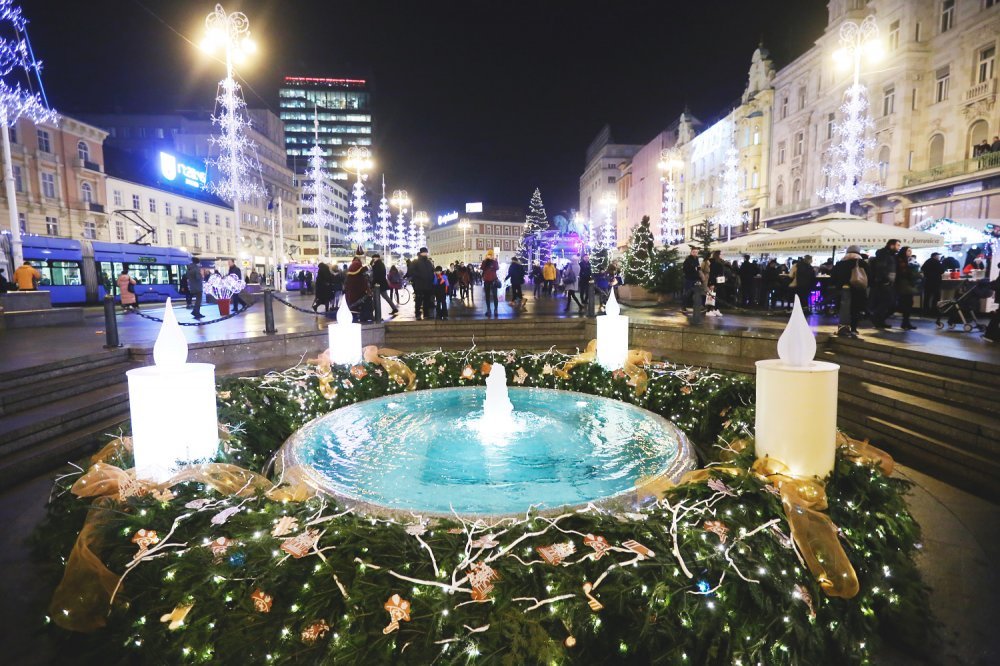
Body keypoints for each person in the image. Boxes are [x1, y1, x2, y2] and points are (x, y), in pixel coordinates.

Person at [830, 245, 869, 338]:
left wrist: (838, 285)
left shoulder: (840, 263)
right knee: (855, 309)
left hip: (843, 290)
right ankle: (854, 329)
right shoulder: (863, 263)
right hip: (858, 290)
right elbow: (869, 277)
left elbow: (833, 277)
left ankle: (843, 328)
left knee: (844, 309)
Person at [869, 239, 900, 329]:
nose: (899, 247)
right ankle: (876, 318)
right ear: (891, 245)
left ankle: (879, 320)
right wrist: (885, 279)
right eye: (897, 245)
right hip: (884, 283)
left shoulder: (891, 255)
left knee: (889, 303)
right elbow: (881, 268)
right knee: (888, 303)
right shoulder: (884, 255)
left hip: (888, 283)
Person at [894, 246, 919, 330]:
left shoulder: (908, 260)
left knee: (908, 303)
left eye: (911, 251)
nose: (910, 252)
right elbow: (904, 272)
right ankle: (905, 322)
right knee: (906, 303)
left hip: (907, 285)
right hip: (903, 285)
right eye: (908, 251)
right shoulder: (901, 260)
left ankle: (906, 322)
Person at [409, 246, 436, 320]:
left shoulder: (428, 262)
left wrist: (431, 278)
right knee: (419, 300)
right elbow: (411, 271)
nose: (425, 254)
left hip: (428, 284)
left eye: (426, 252)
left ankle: (426, 314)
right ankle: (417, 314)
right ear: (421, 253)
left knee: (427, 300)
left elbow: (432, 271)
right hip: (419, 284)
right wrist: (419, 276)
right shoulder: (415, 262)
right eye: (424, 252)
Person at [344, 250, 370, 320]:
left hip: (356, 289)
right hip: (356, 290)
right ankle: (356, 318)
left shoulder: (356, 263)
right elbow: (359, 273)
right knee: (355, 304)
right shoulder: (356, 264)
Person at [921, 252, 945, 316]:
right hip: (935, 282)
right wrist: (940, 263)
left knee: (927, 297)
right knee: (936, 297)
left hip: (928, 281)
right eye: (938, 256)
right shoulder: (936, 262)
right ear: (935, 256)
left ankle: (925, 311)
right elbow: (942, 270)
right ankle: (934, 311)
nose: (939, 257)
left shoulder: (927, 261)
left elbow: (922, 268)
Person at [480, 249, 500, 317]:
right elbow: (482, 268)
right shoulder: (484, 262)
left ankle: (496, 309)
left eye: (491, 255)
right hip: (486, 281)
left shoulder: (494, 262)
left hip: (494, 280)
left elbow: (497, 268)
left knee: (495, 296)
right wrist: (486, 260)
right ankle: (488, 309)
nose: (490, 256)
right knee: (487, 296)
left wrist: (494, 260)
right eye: (489, 255)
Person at [681, 246, 701, 313]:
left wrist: (698, 277)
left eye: (696, 252)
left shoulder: (696, 259)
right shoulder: (688, 259)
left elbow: (698, 269)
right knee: (687, 293)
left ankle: (690, 306)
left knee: (694, 293)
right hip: (688, 279)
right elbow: (685, 269)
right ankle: (684, 306)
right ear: (691, 252)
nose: (695, 253)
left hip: (695, 279)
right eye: (694, 252)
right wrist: (693, 269)